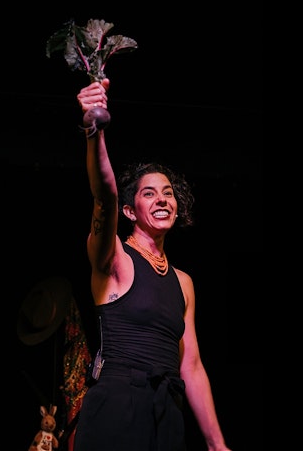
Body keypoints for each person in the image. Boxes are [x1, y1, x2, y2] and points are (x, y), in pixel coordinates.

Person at [72, 77, 232, 451]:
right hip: (117, 408)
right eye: (149, 194)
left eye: (168, 193)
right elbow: (104, 194)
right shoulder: (114, 257)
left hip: (166, 415)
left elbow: (190, 366)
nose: (162, 200)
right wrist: (93, 129)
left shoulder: (184, 281)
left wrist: (216, 444)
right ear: (130, 210)